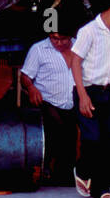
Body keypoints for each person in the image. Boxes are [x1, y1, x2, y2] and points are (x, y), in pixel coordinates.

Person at [66, 0, 110, 198]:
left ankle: (101, 189)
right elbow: (75, 61)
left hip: (109, 91)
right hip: (88, 90)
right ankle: (82, 170)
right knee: (93, 139)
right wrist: (83, 96)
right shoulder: (89, 31)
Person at [20, 25, 79, 187]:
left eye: (63, 39)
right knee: (54, 133)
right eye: (54, 38)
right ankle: (47, 173)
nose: (58, 43)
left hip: (73, 102)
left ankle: (65, 176)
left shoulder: (80, 45)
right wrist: (31, 88)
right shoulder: (38, 49)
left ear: (70, 37)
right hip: (47, 102)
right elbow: (25, 76)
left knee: (72, 139)